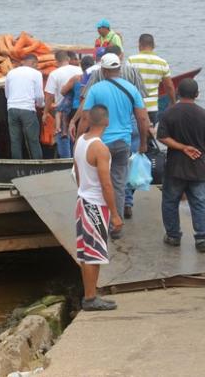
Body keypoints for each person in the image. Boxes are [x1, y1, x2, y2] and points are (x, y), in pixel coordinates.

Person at [77, 53, 149, 239]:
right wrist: (143, 143)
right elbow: (142, 118)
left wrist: (79, 141)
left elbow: (85, 118)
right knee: (118, 183)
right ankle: (115, 226)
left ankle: (99, 220)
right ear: (119, 68)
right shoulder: (131, 88)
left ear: (103, 69)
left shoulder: (96, 89)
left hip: (100, 144)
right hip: (123, 143)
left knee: (99, 183)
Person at [74, 105, 123, 311]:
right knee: (93, 253)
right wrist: (115, 214)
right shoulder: (100, 148)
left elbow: (76, 172)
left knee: (86, 253)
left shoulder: (80, 142)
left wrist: (82, 190)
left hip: (82, 200)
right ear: (107, 121)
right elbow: (106, 184)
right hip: (95, 204)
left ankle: (90, 295)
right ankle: (91, 297)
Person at [157, 79, 205, 252]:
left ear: (177, 93)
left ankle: (173, 236)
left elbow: (162, 137)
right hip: (197, 166)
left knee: (170, 201)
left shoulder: (169, 113)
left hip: (175, 167)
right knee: (199, 202)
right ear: (197, 94)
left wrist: (182, 147)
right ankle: (202, 238)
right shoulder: (204, 114)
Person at [127, 34, 176, 126]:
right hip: (152, 108)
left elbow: (126, 84)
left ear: (139, 45)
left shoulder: (131, 61)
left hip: (135, 107)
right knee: (149, 135)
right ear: (154, 46)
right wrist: (173, 102)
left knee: (134, 136)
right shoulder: (162, 63)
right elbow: (169, 86)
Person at [4, 54, 44, 159]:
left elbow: (7, 94)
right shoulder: (36, 73)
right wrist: (40, 105)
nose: (37, 67)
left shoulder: (10, 73)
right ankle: (37, 164)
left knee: (15, 140)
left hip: (12, 109)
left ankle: (16, 164)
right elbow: (39, 95)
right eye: (37, 65)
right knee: (33, 139)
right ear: (33, 63)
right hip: (27, 109)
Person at [44, 50, 83, 158]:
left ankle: (66, 162)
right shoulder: (79, 70)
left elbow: (49, 96)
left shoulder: (54, 74)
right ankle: (76, 160)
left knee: (63, 136)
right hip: (79, 109)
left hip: (62, 110)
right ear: (68, 59)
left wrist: (45, 112)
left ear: (56, 61)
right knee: (77, 135)